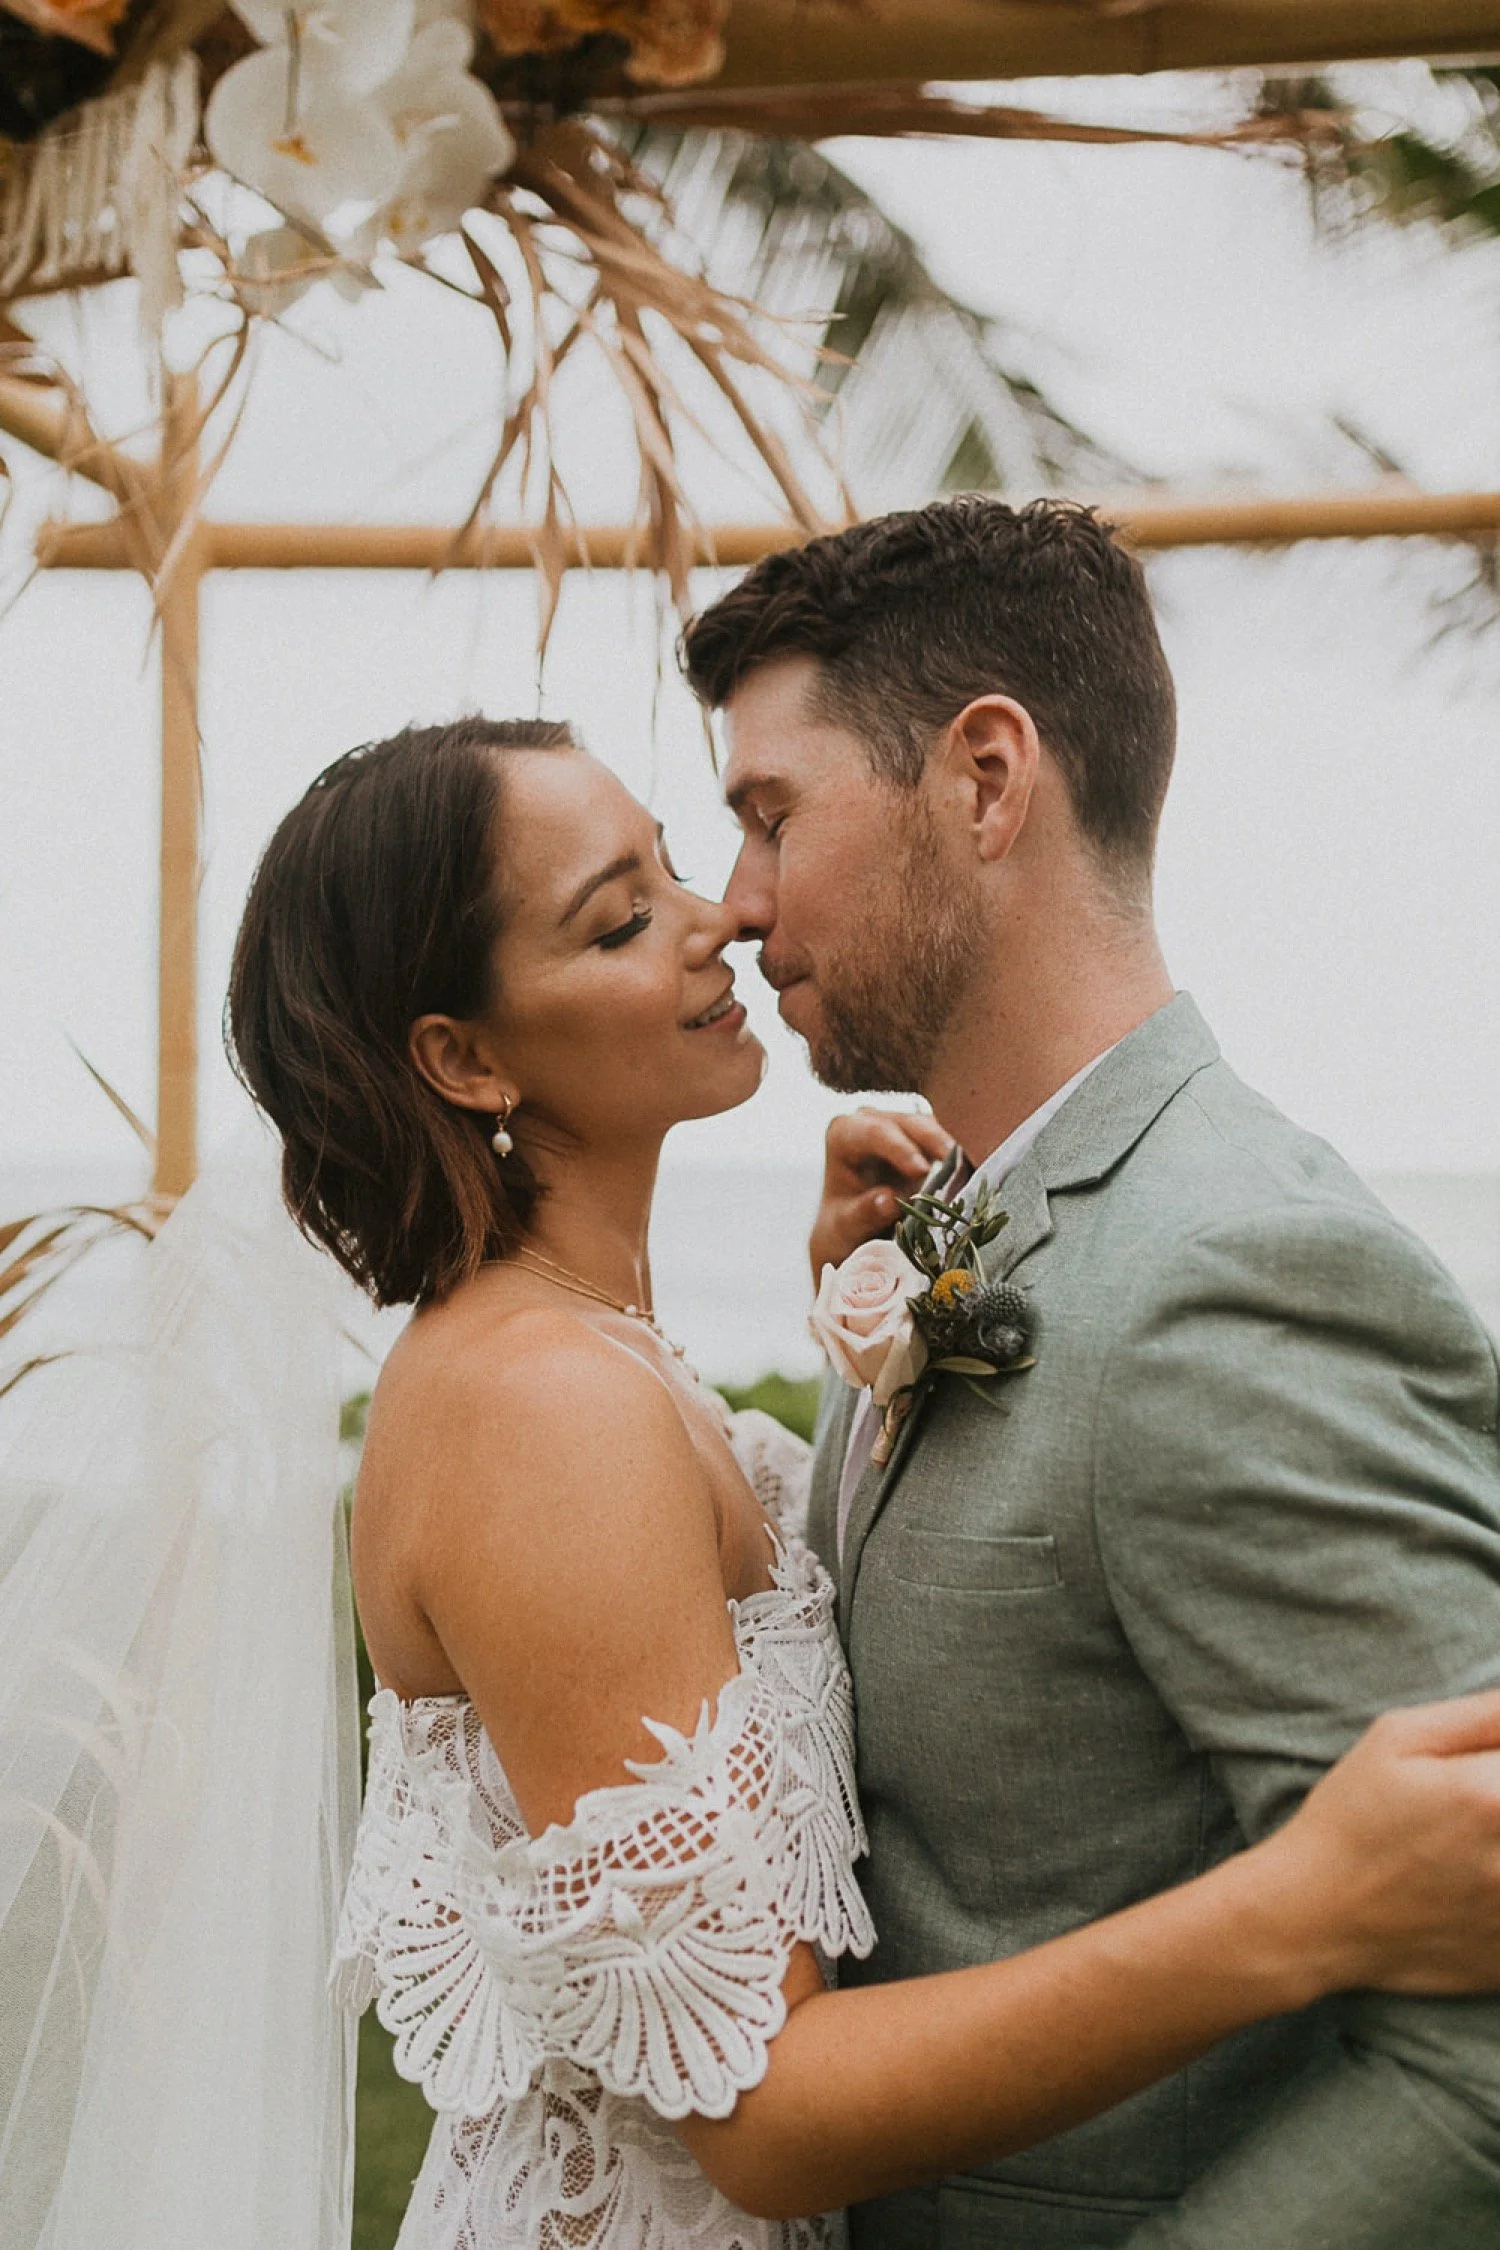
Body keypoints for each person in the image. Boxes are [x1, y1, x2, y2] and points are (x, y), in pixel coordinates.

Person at [207, 712, 1500, 2250]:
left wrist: (865, 1316)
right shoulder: (539, 1406)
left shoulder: (591, 1347)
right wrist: (1298, 1906)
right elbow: (764, 2115)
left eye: (675, 865)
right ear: (466, 1056)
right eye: (621, 921)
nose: (718, 918)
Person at [676, 494, 1500, 2249]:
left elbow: (1481, 2041)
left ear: (985, 780)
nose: (737, 905)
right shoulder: (951, 1212)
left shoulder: (1239, 1275)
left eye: (770, 815)